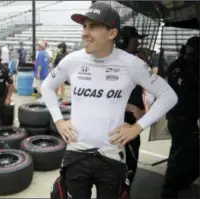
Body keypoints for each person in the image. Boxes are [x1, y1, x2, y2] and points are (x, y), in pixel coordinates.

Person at [41, 2, 178, 199]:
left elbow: (169, 96)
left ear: (112, 33)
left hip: (111, 155)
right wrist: (59, 120)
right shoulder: (72, 60)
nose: (84, 33)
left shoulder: (132, 64)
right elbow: (47, 87)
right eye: (84, 26)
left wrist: (137, 127)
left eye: (93, 26)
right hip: (76, 153)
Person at [161, 36, 199, 198]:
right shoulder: (190, 66)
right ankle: (171, 189)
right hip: (182, 118)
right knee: (184, 155)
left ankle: (175, 185)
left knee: (180, 153)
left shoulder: (178, 64)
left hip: (179, 118)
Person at [115, 25, 149, 194]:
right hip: (122, 123)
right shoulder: (117, 64)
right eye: (136, 40)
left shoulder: (133, 61)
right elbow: (106, 94)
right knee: (126, 166)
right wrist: (131, 107)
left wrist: (144, 61)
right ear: (123, 41)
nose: (138, 44)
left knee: (129, 164)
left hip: (131, 124)